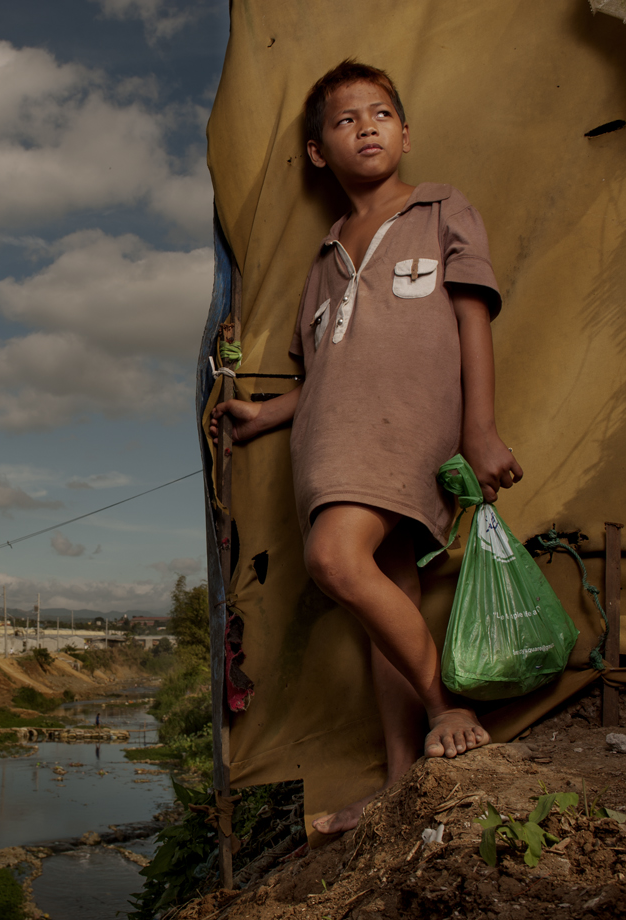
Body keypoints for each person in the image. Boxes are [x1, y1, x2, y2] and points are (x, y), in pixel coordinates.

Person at [210, 60, 523, 835]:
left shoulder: (440, 208)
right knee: (385, 593)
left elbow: (472, 318)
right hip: (326, 446)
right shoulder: (321, 261)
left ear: (404, 132)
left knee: (333, 559)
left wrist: (478, 427)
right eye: (345, 120)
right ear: (319, 151)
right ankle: (397, 782)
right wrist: (268, 413)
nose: (366, 127)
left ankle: (445, 704)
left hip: (406, 431)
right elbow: (325, 372)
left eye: (379, 113)